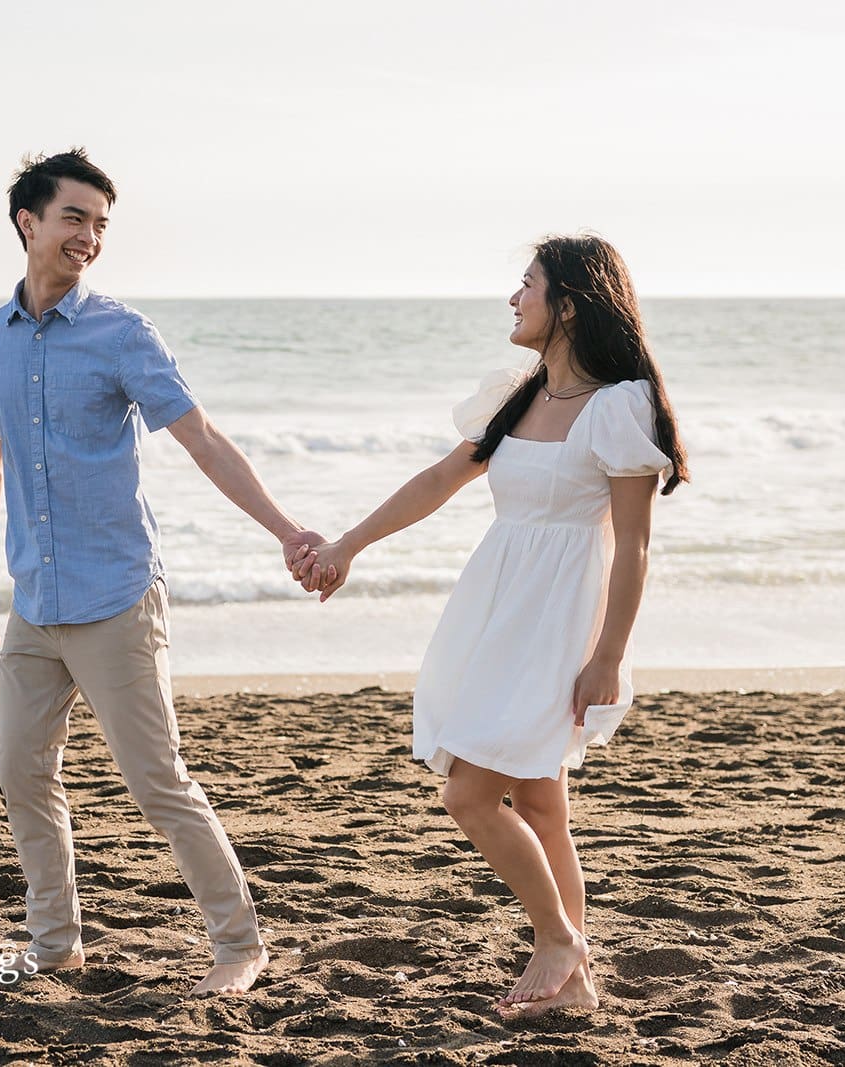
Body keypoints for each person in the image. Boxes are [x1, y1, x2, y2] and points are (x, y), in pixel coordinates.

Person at [0, 148, 323, 995]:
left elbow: (199, 438)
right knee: (20, 771)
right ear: (29, 222)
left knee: (158, 781)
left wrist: (284, 528)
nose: (89, 236)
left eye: (101, 224)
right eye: (74, 217)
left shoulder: (122, 333)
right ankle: (55, 944)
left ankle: (239, 944)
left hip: (118, 597)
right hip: (34, 602)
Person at [291, 234, 688, 1017]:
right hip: (498, 609)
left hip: (561, 622)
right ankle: (574, 988)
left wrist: (608, 654)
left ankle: (557, 938)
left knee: (469, 796)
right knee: (540, 807)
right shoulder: (520, 392)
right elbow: (441, 478)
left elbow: (634, 543)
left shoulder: (617, 405)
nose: (514, 298)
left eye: (527, 284)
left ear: (569, 303)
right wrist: (346, 546)